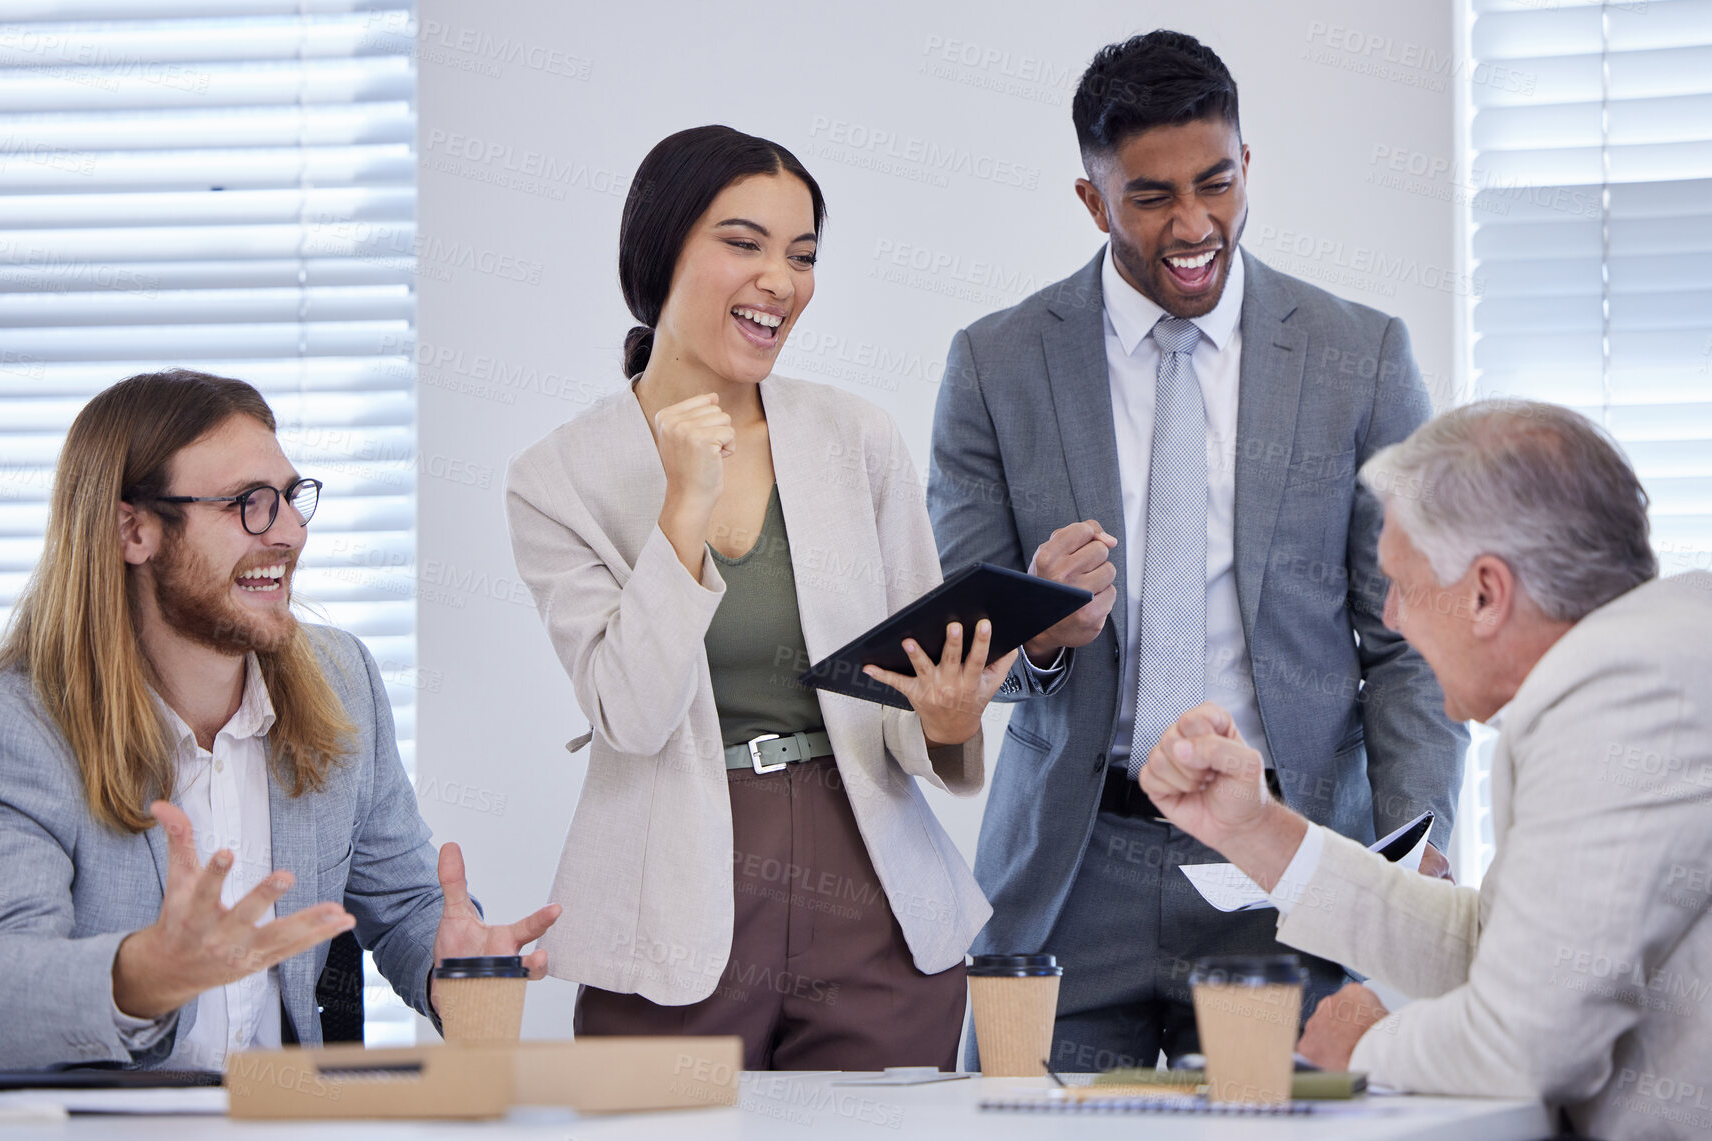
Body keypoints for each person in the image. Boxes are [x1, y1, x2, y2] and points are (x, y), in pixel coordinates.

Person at [926, 30, 1467, 1071]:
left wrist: (1412, 841)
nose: (1191, 225)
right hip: (1071, 872)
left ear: (1245, 165)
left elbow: (1409, 640)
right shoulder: (994, 365)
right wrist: (1042, 628)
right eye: (1149, 197)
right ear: (1090, 199)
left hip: (1291, 858)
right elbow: (966, 642)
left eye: (1214, 184)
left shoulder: (1358, 358)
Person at [505, 125, 1012, 1071]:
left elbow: (911, 686)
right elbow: (632, 712)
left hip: (870, 889)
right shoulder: (557, 479)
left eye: (802, 254)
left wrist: (946, 722)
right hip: (674, 896)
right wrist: (683, 505)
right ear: (660, 254)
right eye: (743, 243)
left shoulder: (854, 437)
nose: (780, 279)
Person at [1141, 399, 1710, 1141]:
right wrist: (1253, 830)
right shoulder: (1638, 660)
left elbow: (1526, 1044)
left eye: (1401, 585)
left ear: (1484, 593)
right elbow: (1493, 945)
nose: (1391, 618)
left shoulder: (1616, 692)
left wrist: (1363, 1050)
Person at [0, 371, 559, 1071]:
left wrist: (454, 964)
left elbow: (405, 904)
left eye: (290, 499)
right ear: (134, 529)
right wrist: (139, 976)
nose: (291, 534)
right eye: (249, 503)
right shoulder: (14, 729)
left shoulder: (344, 682)